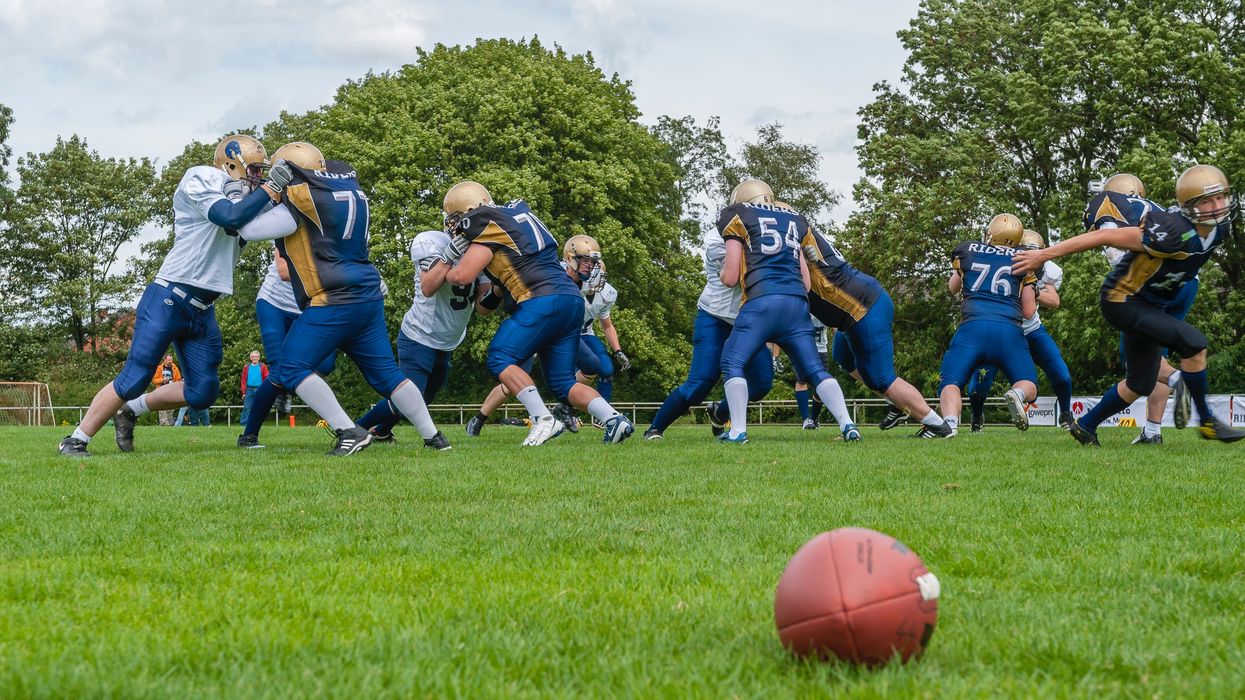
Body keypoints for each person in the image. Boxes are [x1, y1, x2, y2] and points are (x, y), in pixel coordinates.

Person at [59, 134, 277, 457]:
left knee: (203, 391)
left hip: (203, 309)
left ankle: (131, 410)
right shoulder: (202, 177)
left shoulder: (247, 197)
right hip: (169, 297)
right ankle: (76, 439)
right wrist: (271, 191)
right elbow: (229, 217)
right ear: (232, 165)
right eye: (255, 170)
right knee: (134, 378)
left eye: (262, 172)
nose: (259, 178)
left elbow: (273, 217)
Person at [236, 142, 449, 455]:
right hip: (367, 296)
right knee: (388, 375)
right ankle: (434, 437)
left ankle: (349, 431)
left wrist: (253, 195)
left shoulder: (303, 200)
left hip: (333, 299)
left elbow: (246, 228)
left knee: (291, 368)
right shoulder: (349, 193)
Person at [1014, 164, 1244, 445]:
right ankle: (1208, 422)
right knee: (1194, 343)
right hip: (1123, 300)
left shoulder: (1221, 228)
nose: (1218, 206)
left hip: (1152, 302)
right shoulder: (1170, 231)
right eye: (1208, 201)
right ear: (1188, 205)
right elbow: (1103, 236)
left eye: (1221, 197)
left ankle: (1085, 426)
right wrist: (1043, 255)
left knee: (1140, 382)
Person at [439, 181, 634, 445]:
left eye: (456, 217)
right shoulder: (517, 217)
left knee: (500, 356)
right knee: (562, 382)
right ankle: (613, 419)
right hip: (570, 300)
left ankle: (543, 419)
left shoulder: (487, 223)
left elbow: (462, 276)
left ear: (470, 209)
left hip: (542, 299)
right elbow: (487, 303)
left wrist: (443, 265)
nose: (454, 225)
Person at [714, 179, 857, 444]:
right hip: (796, 305)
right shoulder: (793, 219)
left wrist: (722, 271)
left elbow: (731, 277)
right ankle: (848, 424)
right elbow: (806, 283)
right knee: (815, 369)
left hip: (762, 303)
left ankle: (737, 431)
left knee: (732, 362)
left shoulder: (738, 216)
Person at [800, 220, 956, 438]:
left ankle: (938, 426)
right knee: (842, 356)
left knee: (882, 379)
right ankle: (895, 403)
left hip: (863, 308)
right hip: (856, 309)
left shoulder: (792, 237)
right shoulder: (798, 233)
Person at [1084, 173, 1195, 444]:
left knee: (1139, 363)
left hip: (1148, 284)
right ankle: (1153, 431)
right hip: (1187, 283)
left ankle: (1179, 379)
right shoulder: (1159, 208)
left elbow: (1111, 243)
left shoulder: (1111, 202)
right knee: (1157, 356)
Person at [353, 229, 493, 441]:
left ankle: (381, 431)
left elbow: (483, 308)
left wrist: (498, 288)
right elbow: (428, 287)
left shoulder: (479, 251)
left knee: (422, 400)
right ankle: (355, 429)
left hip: (447, 341)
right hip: (419, 335)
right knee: (408, 399)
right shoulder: (431, 241)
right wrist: (449, 255)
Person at [643, 223, 775, 440]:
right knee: (699, 383)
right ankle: (655, 428)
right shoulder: (717, 238)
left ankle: (720, 412)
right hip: (715, 317)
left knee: (761, 383)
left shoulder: (763, 231)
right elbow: (736, 276)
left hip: (746, 320)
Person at [937, 214, 1039, 435]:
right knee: (1028, 383)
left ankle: (950, 424)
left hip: (972, 327)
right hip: (1009, 331)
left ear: (991, 233)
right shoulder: (1024, 258)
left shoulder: (969, 251)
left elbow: (953, 288)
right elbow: (1029, 311)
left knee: (951, 381)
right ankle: (1017, 394)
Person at [965, 229, 1072, 432]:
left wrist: (1032, 288)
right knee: (980, 382)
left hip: (1030, 330)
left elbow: (1054, 300)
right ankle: (977, 416)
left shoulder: (1048, 270)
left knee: (1061, 373)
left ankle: (1066, 414)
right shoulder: (999, 263)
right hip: (1002, 330)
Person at [235, 255, 338, 448]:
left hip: (308, 309)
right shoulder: (291, 232)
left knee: (325, 364)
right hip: (274, 304)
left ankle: (285, 387)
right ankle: (248, 436)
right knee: (278, 371)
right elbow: (284, 271)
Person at [151, 354, 182, 426]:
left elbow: (179, 379)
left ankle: (170, 424)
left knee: (170, 409)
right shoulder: (159, 368)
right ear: (164, 360)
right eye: (169, 360)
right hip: (161, 391)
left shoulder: (175, 368)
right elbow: (154, 380)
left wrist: (174, 383)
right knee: (162, 408)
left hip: (171, 391)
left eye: (171, 360)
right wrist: (162, 380)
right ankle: (164, 424)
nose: (170, 361)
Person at [238, 350, 268, 424]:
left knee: (259, 408)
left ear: (259, 358)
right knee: (247, 407)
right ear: (250, 358)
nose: (255, 358)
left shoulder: (263, 366)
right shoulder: (246, 367)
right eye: (253, 356)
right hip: (249, 389)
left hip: (260, 389)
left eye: (256, 356)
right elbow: (243, 380)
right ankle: (244, 424)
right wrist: (243, 393)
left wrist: (265, 390)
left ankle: (257, 423)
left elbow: (267, 378)